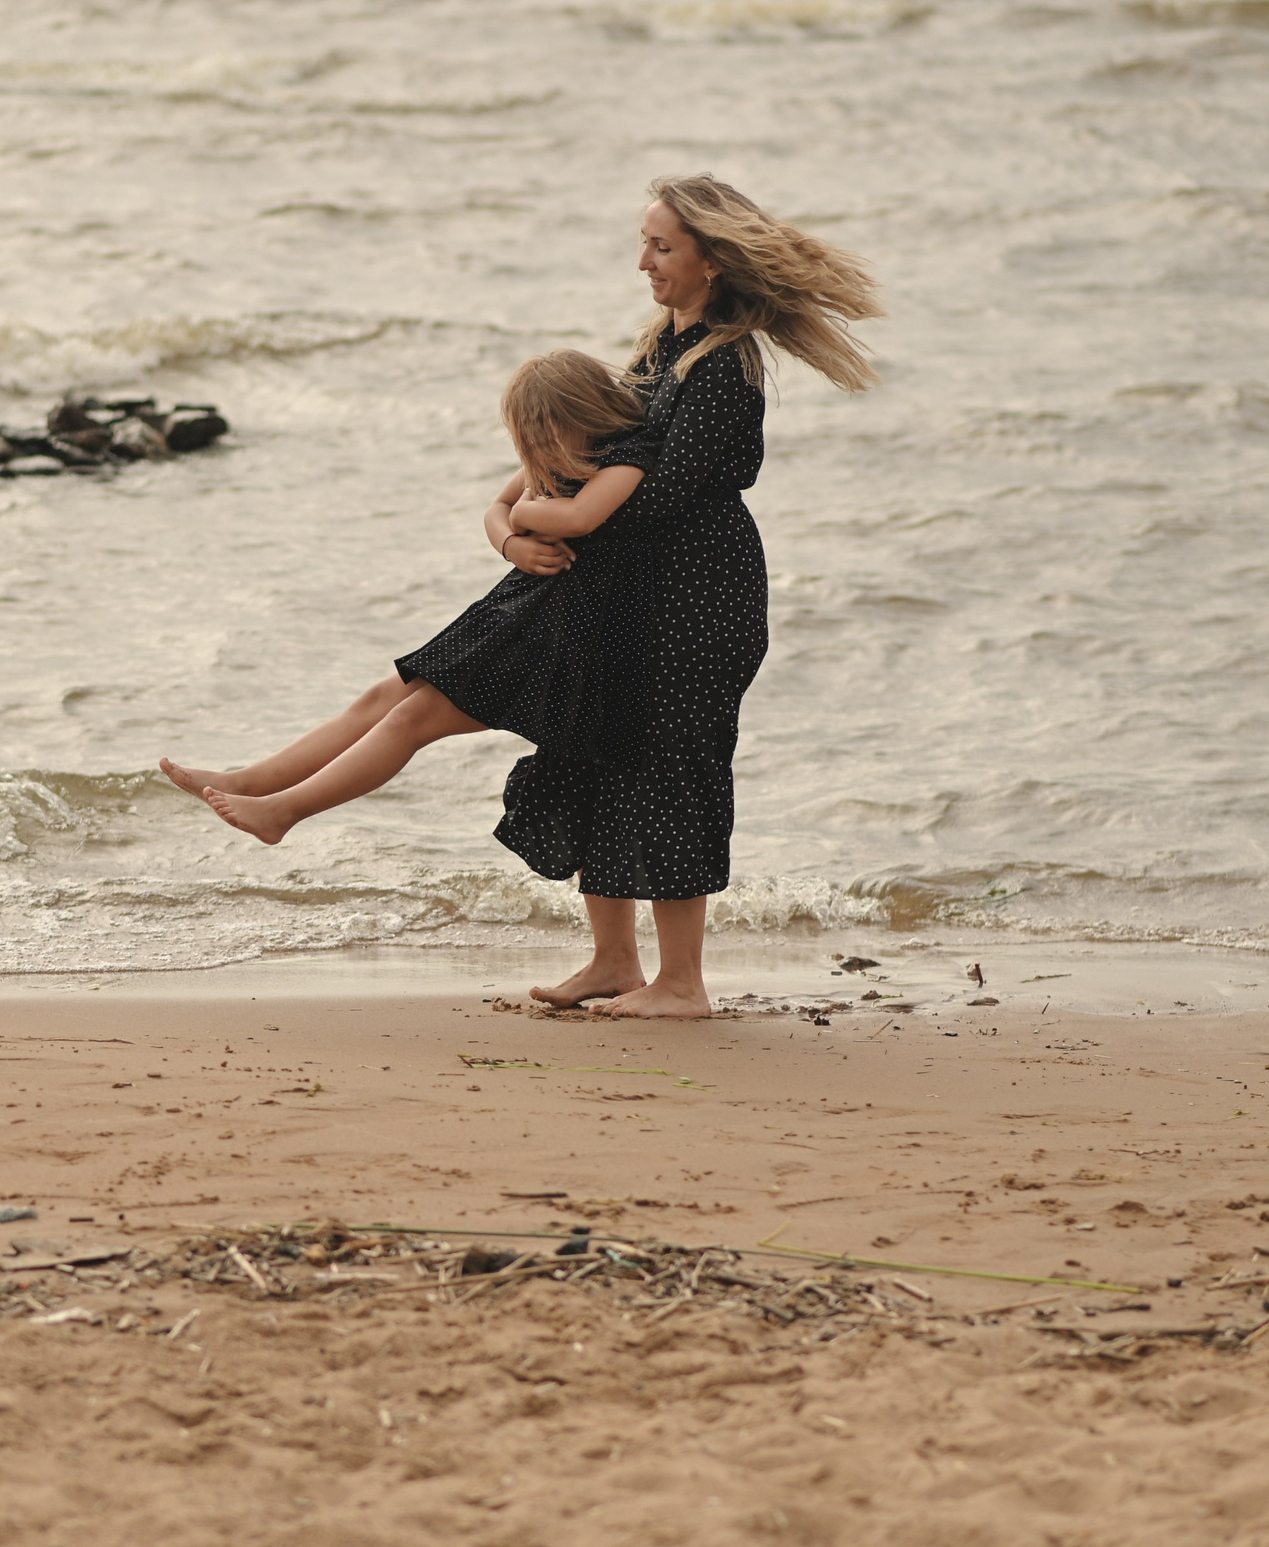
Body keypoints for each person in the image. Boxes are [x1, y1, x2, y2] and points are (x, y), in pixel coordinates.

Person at [171, 176, 881, 1018]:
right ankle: (613, 961)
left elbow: (647, 499)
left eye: (661, 246)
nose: (642, 261)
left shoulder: (723, 372)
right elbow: (563, 461)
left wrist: (538, 513)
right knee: (551, 746)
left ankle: (680, 983)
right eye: (644, 241)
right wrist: (509, 530)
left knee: (663, 775)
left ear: (712, 262)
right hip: (602, 593)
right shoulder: (660, 350)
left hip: (690, 607)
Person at [157, 346, 658, 845]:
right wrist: (511, 544)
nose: (540, 452)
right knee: (381, 697)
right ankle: (248, 782)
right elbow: (497, 508)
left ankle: (283, 812)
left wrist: (526, 516)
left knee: (411, 717)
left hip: (564, 635)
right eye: (531, 441)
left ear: (584, 412)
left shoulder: (626, 453)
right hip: (517, 611)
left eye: (547, 436)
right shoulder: (561, 452)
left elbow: (577, 517)